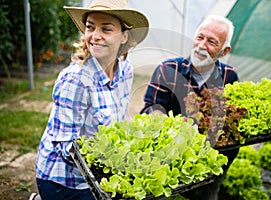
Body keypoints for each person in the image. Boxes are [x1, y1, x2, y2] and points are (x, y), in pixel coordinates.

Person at [32, 0, 149, 200]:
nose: (95, 36)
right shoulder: (76, 80)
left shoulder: (125, 69)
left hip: (96, 172)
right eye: (90, 27)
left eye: (106, 28)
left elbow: (116, 122)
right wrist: (113, 161)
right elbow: (67, 148)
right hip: (64, 180)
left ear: (124, 36)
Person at [140, 15, 239, 200]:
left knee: (208, 195)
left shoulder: (229, 76)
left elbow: (230, 117)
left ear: (224, 51)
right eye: (199, 37)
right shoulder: (168, 69)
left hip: (212, 158)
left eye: (211, 42)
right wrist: (160, 118)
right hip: (171, 158)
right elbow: (151, 106)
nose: (202, 45)